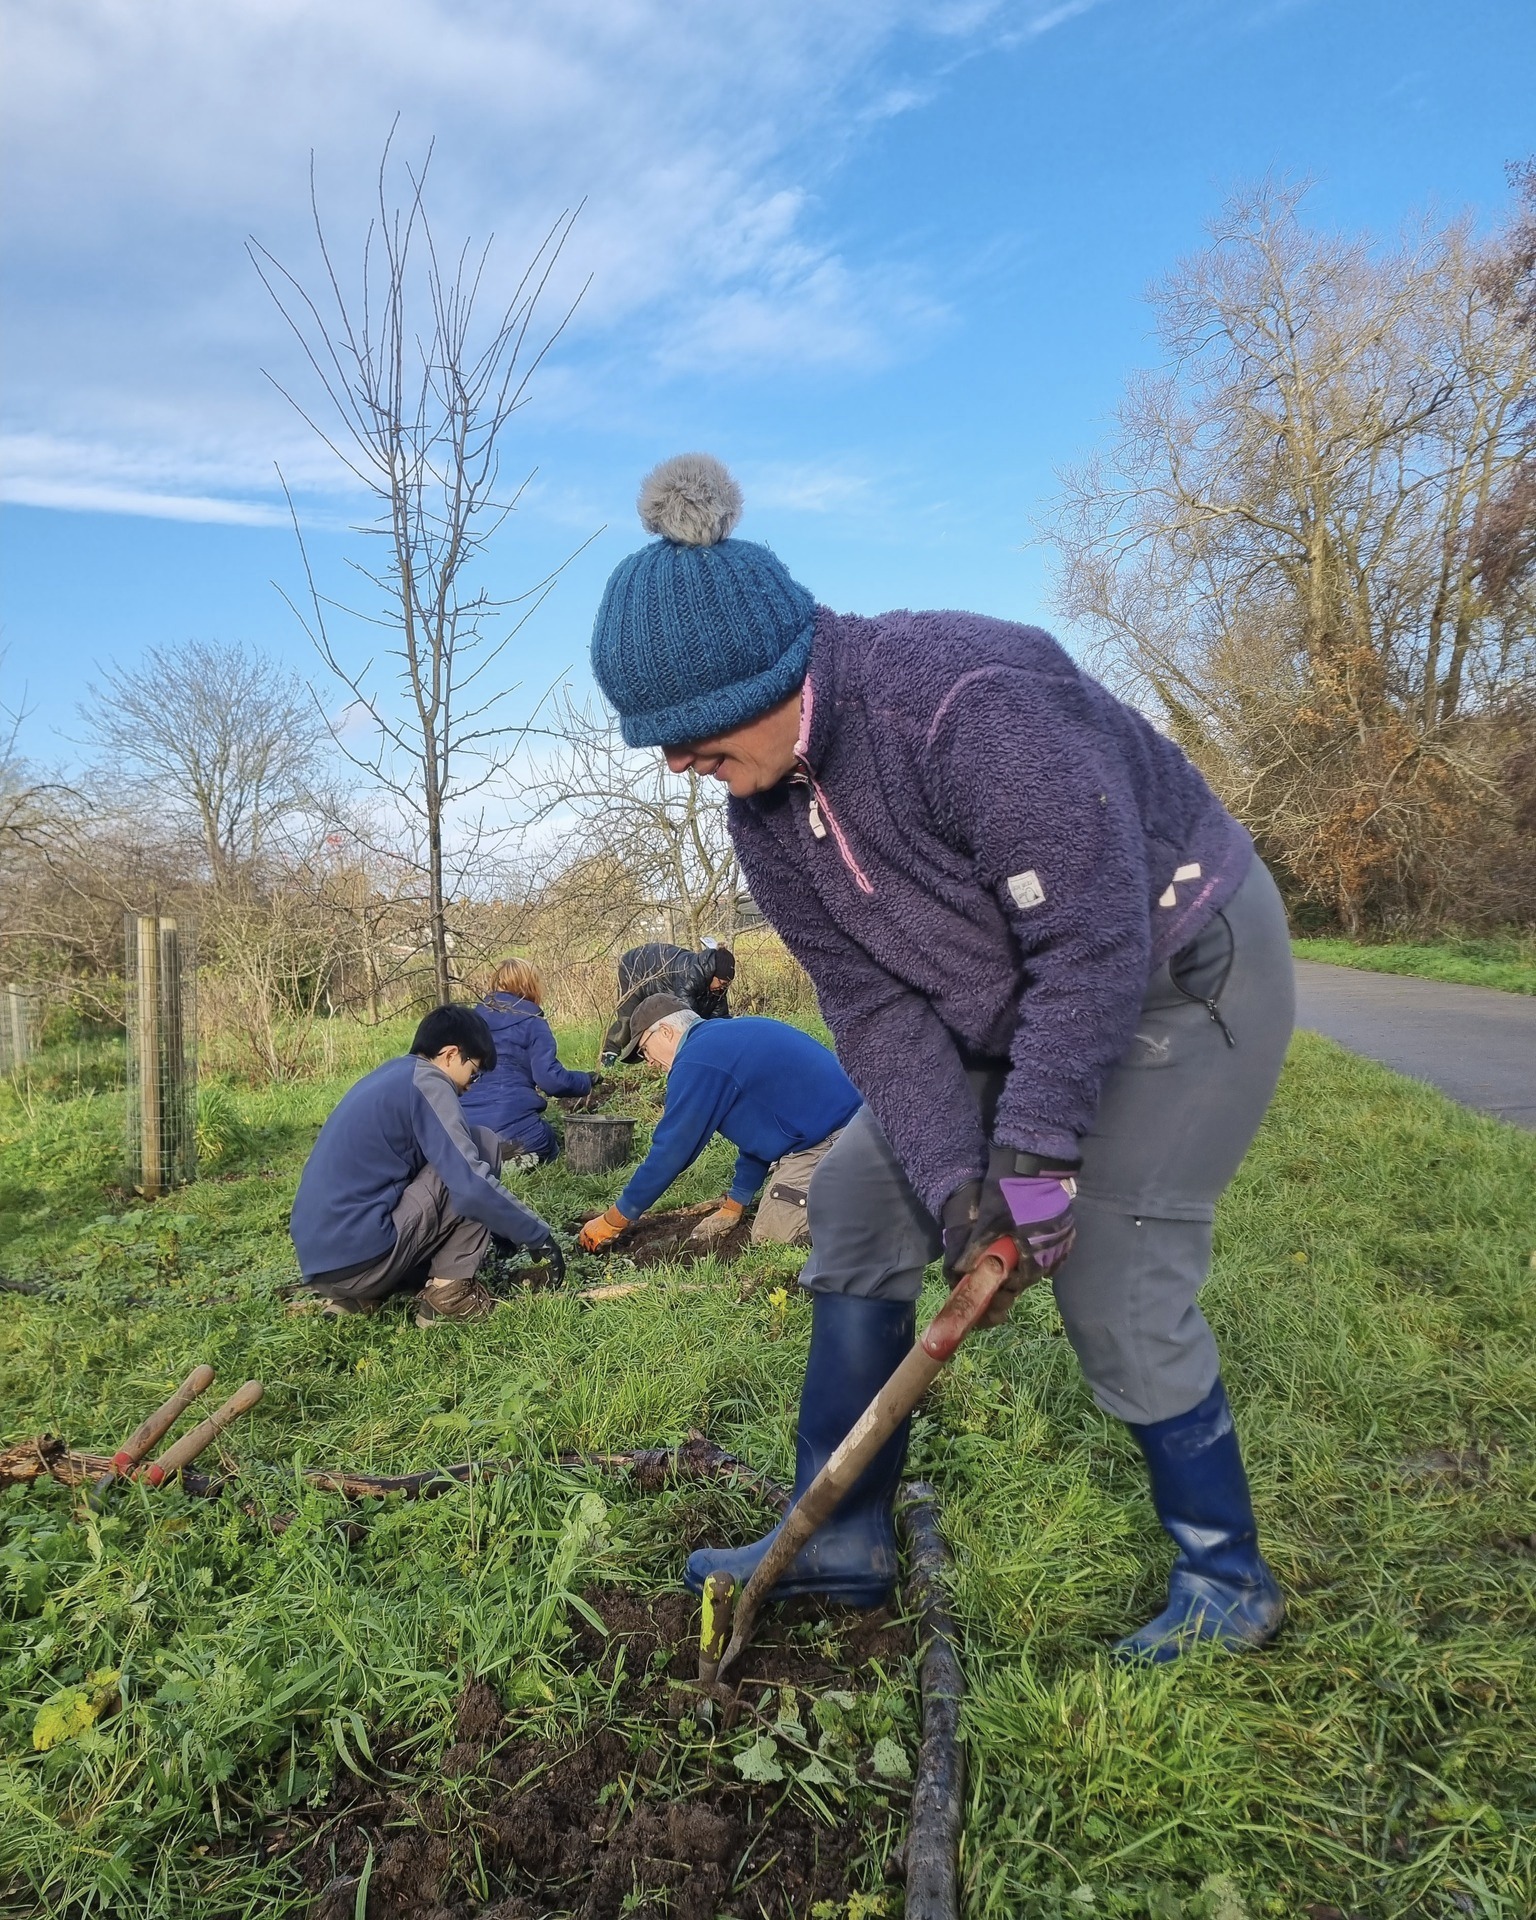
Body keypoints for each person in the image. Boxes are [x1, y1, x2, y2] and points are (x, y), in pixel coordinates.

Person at [587, 452, 1296, 1663]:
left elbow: (1090, 943)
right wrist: (956, 1181)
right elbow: (873, 1006)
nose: (674, 762)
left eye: (688, 735)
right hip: (1016, 991)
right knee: (865, 1189)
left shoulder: (965, 704)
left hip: (1177, 968)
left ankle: (1227, 1578)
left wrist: (1030, 1165)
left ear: (768, 680)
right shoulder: (762, 811)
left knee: (1108, 1262)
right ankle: (841, 1539)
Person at [290, 1004, 563, 1327]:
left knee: (452, 1160)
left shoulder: (389, 1076)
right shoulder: (429, 1082)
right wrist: (535, 1234)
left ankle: (355, 1300)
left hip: (323, 1265)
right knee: (482, 1145)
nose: (471, 1085)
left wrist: (499, 1227)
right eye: (474, 1072)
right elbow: (470, 1185)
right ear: (450, 1054)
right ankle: (449, 1299)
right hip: (364, 1260)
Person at [576, 995, 861, 1253]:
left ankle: (873, 1212)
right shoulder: (722, 1039)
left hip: (839, 1137)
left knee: (772, 1237)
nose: (648, 1062)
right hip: (848, 1126)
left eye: (644, 1050)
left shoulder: (697, 1061)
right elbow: (761, 1133)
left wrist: (615, 1219)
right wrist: (734, 1204)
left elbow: (671, 1152)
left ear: (665, 1031)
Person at [460, 958, 597, 1166]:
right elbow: (550, 1079)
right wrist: (585, 1081)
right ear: (530, 986)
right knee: (549, 1139)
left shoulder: (468, 1021)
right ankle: (516, 1158)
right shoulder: (532, 1021)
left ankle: (483, 1158)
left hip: (464, 1131)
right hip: (513, 1132)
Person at [599, 941, 734, 1064]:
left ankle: (649, 1050)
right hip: (636, 965)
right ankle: (609, 1054)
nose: (722, 988)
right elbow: (688, 1020)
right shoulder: (689, 975)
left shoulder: (717, 986)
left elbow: (720, 1016)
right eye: (721, 983)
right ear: (712, 974)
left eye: (726, 985)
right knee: (629, 1018)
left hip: (658, 972)